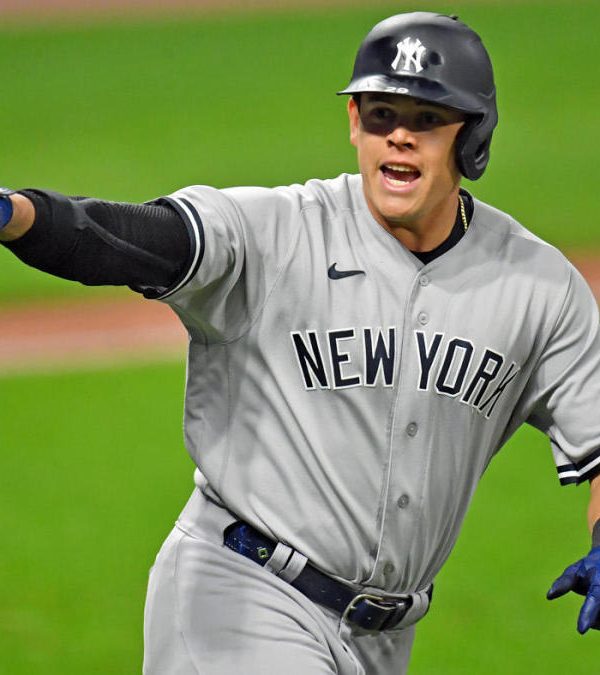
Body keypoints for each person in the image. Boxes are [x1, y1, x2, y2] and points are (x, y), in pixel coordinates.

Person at [1, 11, 599, 674]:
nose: (399, 136)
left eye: (427, 119)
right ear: (354, 123)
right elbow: (130, 238)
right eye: (381, 115)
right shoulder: (275, 232)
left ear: (474, 137)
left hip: (383, 640)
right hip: (238, 596)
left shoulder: (538, 287)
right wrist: (14, 214)